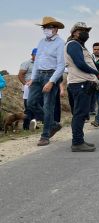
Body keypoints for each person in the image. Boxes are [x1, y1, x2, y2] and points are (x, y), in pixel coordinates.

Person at [65, 22, 99, 152]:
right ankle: (77, 142)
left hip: (84, 83)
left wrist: (98, 67)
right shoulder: (73, 45)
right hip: (79, 83)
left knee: (82, 114)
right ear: (75, 32)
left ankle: (80, 140)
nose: (86, 33)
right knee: (79, 114)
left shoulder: (80, 46)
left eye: (87, 31)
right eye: (83, 30)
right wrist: (96, 73)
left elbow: (87, 63)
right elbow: (79, 63)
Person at [28, 17, 66, 146]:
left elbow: (61, 66)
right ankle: (54, 124)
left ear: (55, 28)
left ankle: (45, 136)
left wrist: (51, 82)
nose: (46, 30)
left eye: (48, 27)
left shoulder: (60, 43)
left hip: (51, 75)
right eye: (44, 27)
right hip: (38, 75)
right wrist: (33, 78)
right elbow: (37, 61)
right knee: (31, 103)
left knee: (48, 106)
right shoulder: (41, 42)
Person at [19, 48, 40, 130]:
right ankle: (26, 125)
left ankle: (33, 124)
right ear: (32, 55)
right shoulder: (26, 63)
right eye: (36, 55)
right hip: (28, 88)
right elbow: (20, 75)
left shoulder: (40, 64)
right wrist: (25, 84)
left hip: (37, 88)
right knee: (28, 107)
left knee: (36, 106)